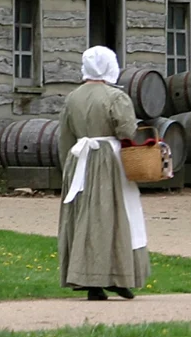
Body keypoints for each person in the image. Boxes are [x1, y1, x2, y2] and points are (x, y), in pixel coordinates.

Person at [57, 45, 149, 301]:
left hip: (80, 160)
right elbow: (127, 131)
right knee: (113, 217)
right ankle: (116, 276)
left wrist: (68, 166)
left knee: (85, 217)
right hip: (108, 161)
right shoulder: (115, 96)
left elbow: (65, 138)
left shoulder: (72, 97)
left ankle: (91, 281)